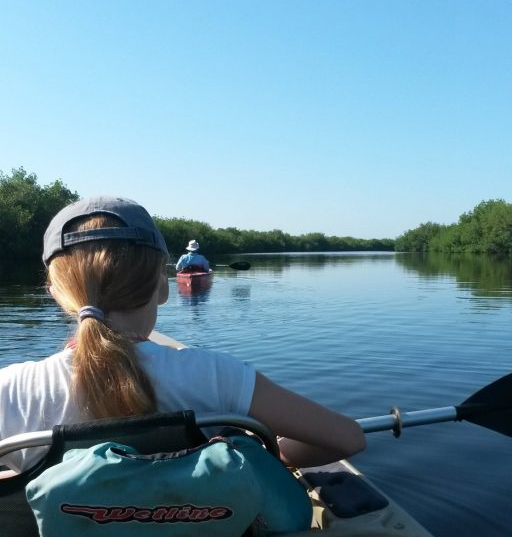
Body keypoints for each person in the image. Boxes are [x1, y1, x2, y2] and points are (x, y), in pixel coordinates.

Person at [0, 196, 365, 475]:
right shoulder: (215, 375)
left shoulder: (12, 389)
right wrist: (270, 455)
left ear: (56, 294)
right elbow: (348, 438)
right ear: (162, 286)